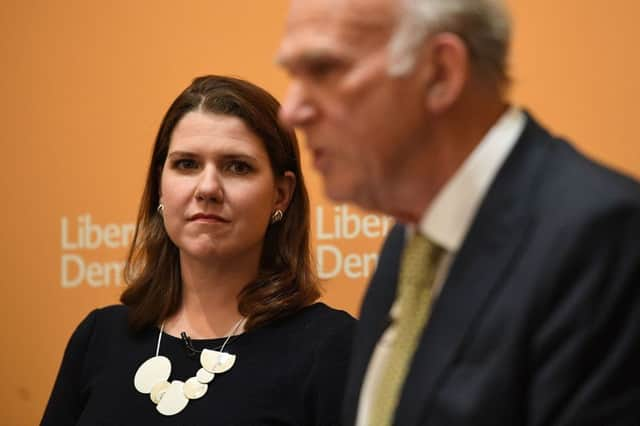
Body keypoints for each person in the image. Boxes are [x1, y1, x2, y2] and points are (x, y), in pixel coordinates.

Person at [276, 0, 640, 425]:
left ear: (441, 73)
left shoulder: (601, 236)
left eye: (324, 70)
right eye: (293, 75)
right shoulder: (410, 240)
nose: (292, 111)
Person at [42, 75, 355, 425]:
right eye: (187, 164)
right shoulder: (99, 339)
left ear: (280, 194)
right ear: (160, 186)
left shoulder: (332, 349)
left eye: (237, 166)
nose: (207, 188)